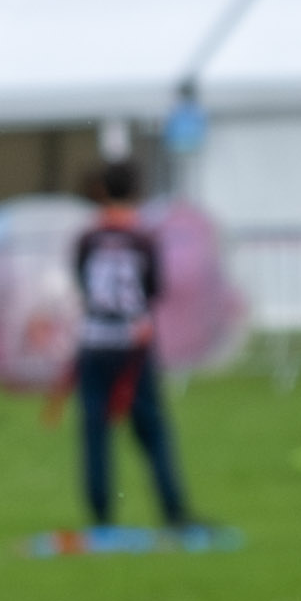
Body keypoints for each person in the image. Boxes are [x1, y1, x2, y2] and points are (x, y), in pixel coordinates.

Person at [71, 160, 204, 539]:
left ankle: (100, 513)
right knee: (153, 430)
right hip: (132, 342)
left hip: (95, 340)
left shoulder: (88, 237)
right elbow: (154, 288)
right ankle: (172, 508)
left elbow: (82, 282)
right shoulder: (143, 237)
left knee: (94, 428)